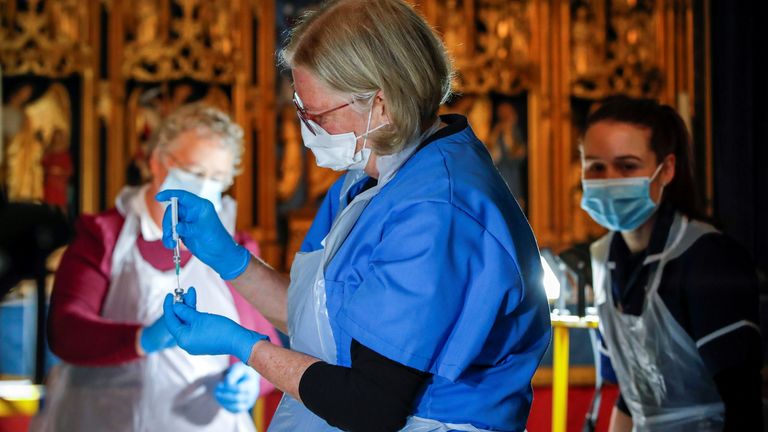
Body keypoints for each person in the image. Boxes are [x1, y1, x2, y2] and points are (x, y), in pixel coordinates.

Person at [158, 1, 552, 431]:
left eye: (316, 113)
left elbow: (371, 405)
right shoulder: (371, 176)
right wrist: (228, 259)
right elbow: (322, 325)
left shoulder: (437, 212)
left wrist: (243, 345)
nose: (305, 126)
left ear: (380, 104)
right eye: (299, 107)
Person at [37, 104, 281, 431]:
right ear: (156, 162)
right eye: (194, 172)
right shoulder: (103, 236)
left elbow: (269, 339)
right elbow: (66, 331)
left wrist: (252, 377)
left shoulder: (235, 248)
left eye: (218, 179)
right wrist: (141, 340)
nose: (205, 186)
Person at [580, 96, 763, 431]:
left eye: (627, 166)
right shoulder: (602, 259)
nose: (609, 180)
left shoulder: (708, 258)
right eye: (595, 166)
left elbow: (744, 401)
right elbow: (633, 393)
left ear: (666, 170)